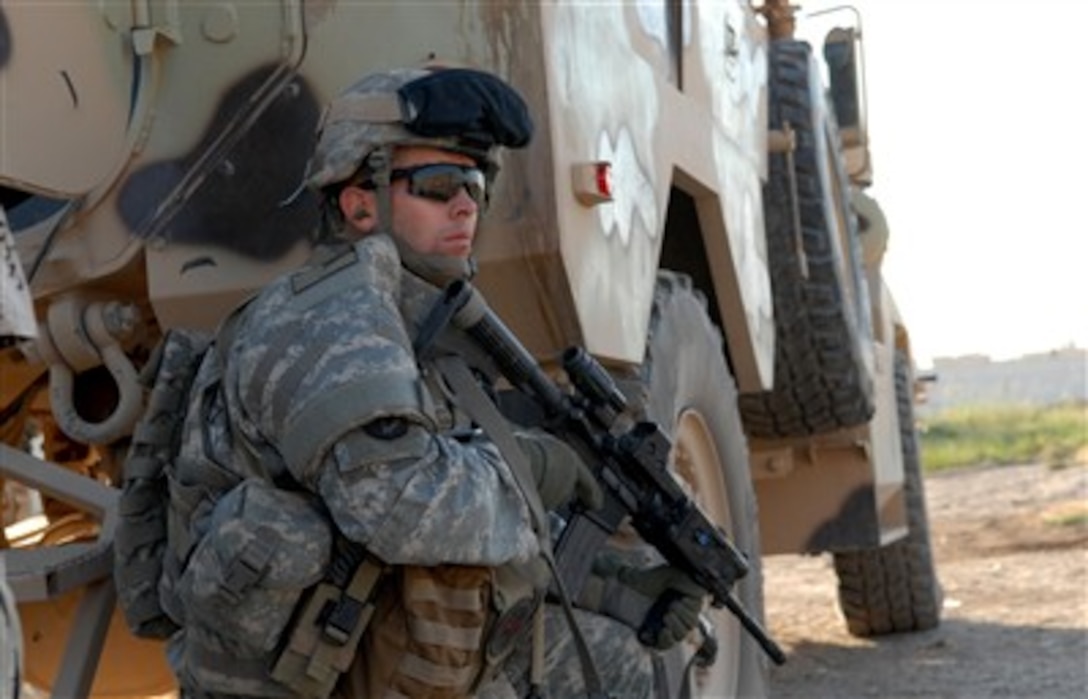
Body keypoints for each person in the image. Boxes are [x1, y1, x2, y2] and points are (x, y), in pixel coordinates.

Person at [162, 66, 708, 699]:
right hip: (303, 679)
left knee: (627, 664)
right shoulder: (331, 318)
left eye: (475, 184)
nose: (465, 204)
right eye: (438, 183)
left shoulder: (415, 318)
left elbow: (462, 520)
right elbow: (405, 509)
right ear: (359, 200)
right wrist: (536, 464)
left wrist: (611, 582)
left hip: (375, 646)